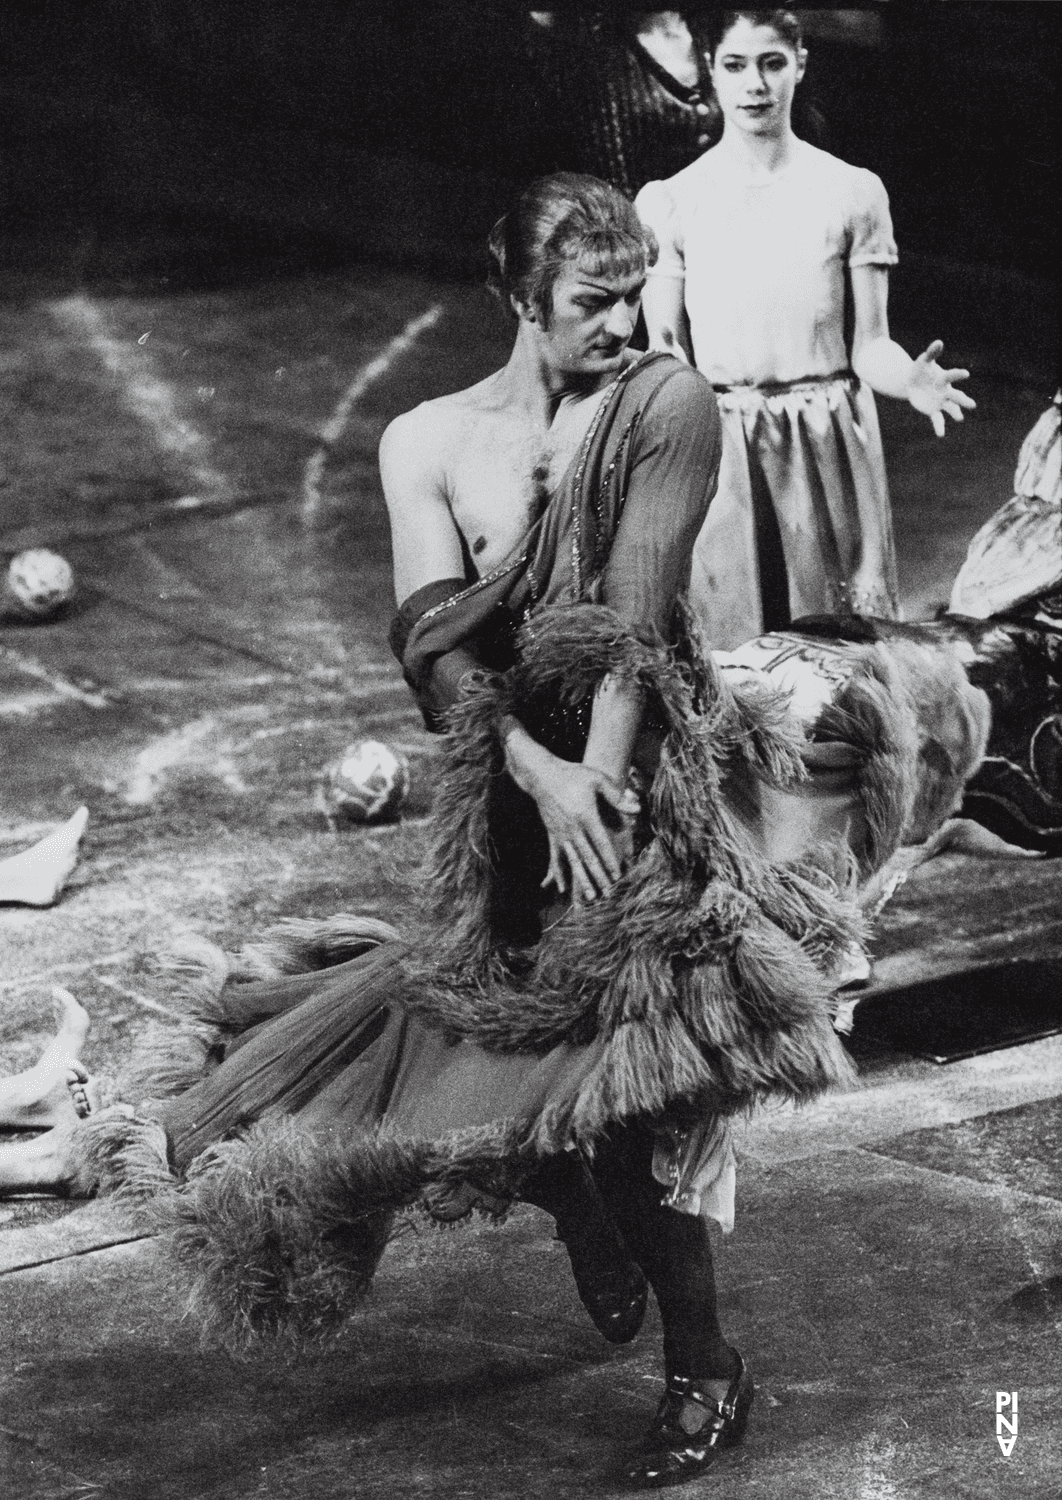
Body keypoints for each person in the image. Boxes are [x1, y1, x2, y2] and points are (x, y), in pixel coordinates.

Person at [634, 8, 976, 651]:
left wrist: (907, 378)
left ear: (799, 64)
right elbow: (665, 349)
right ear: (711, 70)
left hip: (827, 443)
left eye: (771, 63)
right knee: (730, 654)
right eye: (735, 65)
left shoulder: (851, 191)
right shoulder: (670, 201)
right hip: (725, 447)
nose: (754, 84)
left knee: (837, 654)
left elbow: (869, 344)